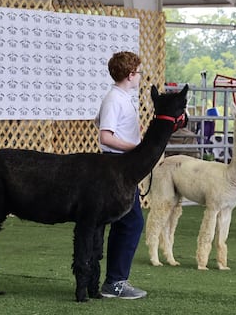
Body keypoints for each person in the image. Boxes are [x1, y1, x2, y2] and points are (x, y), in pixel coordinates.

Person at [94, 51, 147, 299]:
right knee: (132, 222)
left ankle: (114, 280)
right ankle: (115, 282)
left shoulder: (121, 97)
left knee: (125, 222)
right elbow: (105, 136)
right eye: (138, 72)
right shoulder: (115, 99)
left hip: (122, 165)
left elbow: (99, 121)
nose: (140, 77)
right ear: (130, 74)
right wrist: (137, 148)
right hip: (116, 165)